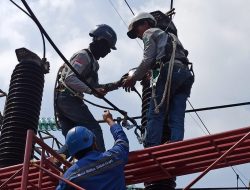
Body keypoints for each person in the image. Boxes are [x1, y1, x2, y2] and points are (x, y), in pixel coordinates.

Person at [122, 12, 194, 189]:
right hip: (185, 74)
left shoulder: (150, 33)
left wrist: (134, 78)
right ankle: (176, 145)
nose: (138, 36)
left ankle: (151, 149)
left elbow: (148, 59)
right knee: (176, 117)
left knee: (156, 112)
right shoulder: (171, 36)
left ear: (145, 23)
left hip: (168, 72)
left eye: (137, 30)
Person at [56, 24, 121, 153]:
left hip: (66, 100)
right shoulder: (84, 56)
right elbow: (70, 78)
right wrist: (92, 91)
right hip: (68, 98)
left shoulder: (93, 63)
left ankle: (54, 160)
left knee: (75, 140)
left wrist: (118, 83)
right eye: (107, 48)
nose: (108, 52)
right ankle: (100, 161)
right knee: (93, 129)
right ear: (100, 42)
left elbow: (95, 87)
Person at [56, 110, 129, 190]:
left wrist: (61, 179)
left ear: (73, 154)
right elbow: (122, 140)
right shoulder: (114, 156)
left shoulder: (69, 176)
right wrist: (109, 120)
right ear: (94, 142)